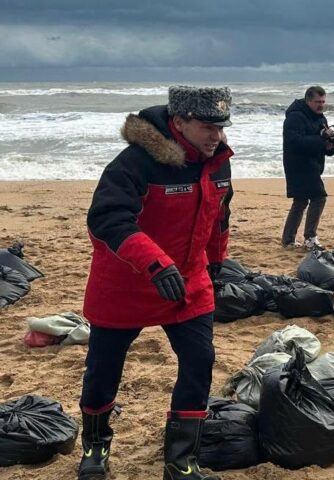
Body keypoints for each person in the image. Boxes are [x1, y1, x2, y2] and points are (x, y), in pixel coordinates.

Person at [78, 86, 234, 480]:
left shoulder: (218, 163)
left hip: (188, 283)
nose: (216, 135)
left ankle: (181, 459)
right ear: (178, 123)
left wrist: (215, 264)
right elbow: (107, 218)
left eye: (221, 126)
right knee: (102, 369)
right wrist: (155, 264)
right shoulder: (135, 163)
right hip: (125, 283)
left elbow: (218, 216)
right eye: (207, 127)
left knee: (199, 361)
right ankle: (96, 448)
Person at [281, 86, 334, 250]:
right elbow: (294, 142)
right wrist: (321, 139)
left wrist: (330, 146)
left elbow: (326, 146)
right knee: (319, 197)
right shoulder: (295, 117)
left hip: (313, 164)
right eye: (317, 102)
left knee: (300, 201)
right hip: (298, 165)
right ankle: (310, 237)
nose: (321, 105)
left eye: (323, 102)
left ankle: (288, 240)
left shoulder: (320, 118)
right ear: (308, 100)